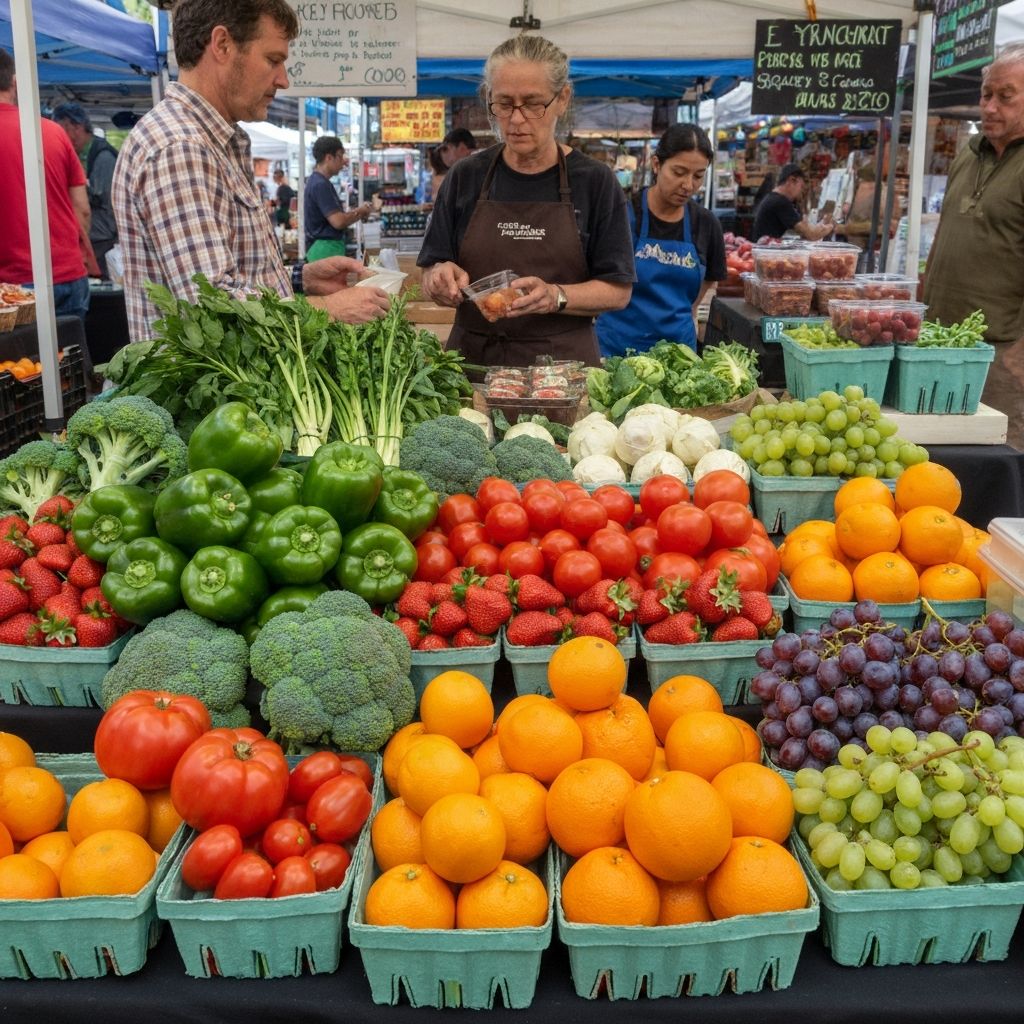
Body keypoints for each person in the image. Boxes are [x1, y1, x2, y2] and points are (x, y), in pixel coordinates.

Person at [111, 0, 389, 343]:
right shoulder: (180, 148)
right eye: (273, 60)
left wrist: (300, 279)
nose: (284, 80)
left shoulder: (217, 140)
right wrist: (328, 309)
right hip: (205, 395)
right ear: (222, 45)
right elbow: (212, 310)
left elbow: (228, 276)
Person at [418, 34, 634, 368]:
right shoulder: (465, 176)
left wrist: (555, 296)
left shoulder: (594, 181)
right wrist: (438, 277)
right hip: (472, 365)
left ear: (562, 99)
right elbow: (430, 268)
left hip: (562, 371)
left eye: (533, 104)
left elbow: (618, 291)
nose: (516, 120)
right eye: (504, 104)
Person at [596, 123, 726, 356]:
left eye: (698, 176)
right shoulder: (620, 215)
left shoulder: (706, 224)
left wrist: (689, 310)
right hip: (616, 350)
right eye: (678, 172)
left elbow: (709, 281)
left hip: (678, 356)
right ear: (656, 164)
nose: (688, 185)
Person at [924, 43, 1024, 342]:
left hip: (1001, 348)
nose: (990, 107)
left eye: (1005, 97)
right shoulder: (968, 155)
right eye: (986, 94)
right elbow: (943, 234)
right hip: (939, 334)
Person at [0, 50, 91, 319]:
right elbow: (82, 209)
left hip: (11, 286)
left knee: (19, 362)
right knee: (70, 358)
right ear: (15, 82)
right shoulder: (52, 131)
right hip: (68, 275)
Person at [52, 102, 119, 280]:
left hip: (104, 243)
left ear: (76, 127)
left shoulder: (103, 157)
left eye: (61, 129)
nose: (58, 136)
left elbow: (107, 208)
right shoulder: (85, 155)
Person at [304, 136, 372, 262]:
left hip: (326, 249)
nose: (343, 162)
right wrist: (361, 211)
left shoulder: (318, 181)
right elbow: (338, 221)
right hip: (325, 250)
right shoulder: (320, 184)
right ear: (329, 158)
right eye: (340, 156)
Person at [752, 163, 833, 241]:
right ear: (792, 180)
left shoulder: (773, 198)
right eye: (801, 187)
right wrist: (831, 226)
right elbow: (811, 235)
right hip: (766, 252)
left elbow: (803, 226)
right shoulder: (780, 202)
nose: (800, 192)